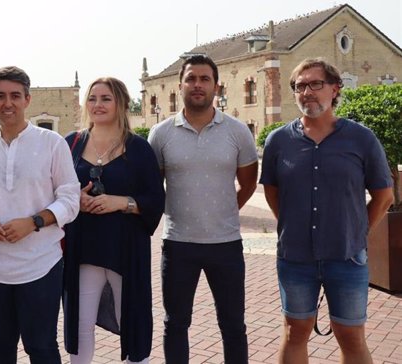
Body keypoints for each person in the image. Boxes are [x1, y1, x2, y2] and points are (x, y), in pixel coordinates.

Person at [260, 58, 393, 364]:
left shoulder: (361, 138)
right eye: (300, 86)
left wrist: (359, 232)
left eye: (315, 84)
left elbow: (383, 196)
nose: (307, 91)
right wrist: (291, 226)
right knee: (294, 332)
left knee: (351, 336)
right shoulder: (278, 141)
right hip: (295, 258)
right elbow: (272, 191)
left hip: (346, 257)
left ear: (335, 89)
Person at [148, 54, 258, 364]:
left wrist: (225, 211)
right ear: (180, 84)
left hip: (225, 245)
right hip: (178, 244)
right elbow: (155, 187)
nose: (198, 85)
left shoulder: (237, 132)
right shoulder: (161, 134)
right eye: (191, 78)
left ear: (216, 86)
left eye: (204, 79)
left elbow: (248, 183)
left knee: (233, 325)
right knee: (175, 324)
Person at [0, 66, 80, 364]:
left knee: (41, 346)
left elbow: (70, 199)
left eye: (15, 96)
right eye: (0, 96)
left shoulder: (51, 143)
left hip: (40, 264)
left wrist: (33, 222)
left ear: (27, 100)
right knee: (0, 347)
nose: (8, 103)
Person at [63, 77, 165, 364]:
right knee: (80, 326)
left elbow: (156, 199)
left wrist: (121, 202)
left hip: (125, 249)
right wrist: (76, 200)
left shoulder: (139, 148)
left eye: (106, 98)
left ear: (120, 103)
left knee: (132, 320)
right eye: (93, 98)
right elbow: (53, 190)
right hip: (82, 248)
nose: (98, 104)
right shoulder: (70, 143)